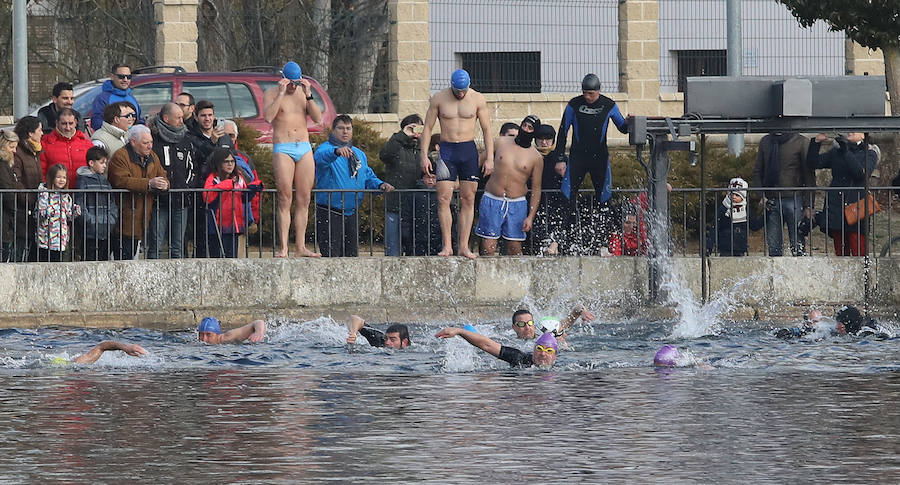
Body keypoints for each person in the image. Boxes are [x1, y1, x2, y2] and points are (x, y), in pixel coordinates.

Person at [420, 69, 493, 259]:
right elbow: (427, 128)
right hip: (447, 150)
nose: (460, 94)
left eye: (463, 90)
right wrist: (424, 155)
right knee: (443, 198)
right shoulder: (439, 98)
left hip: (468, 150)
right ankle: (447, 246)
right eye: (457, 90)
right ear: (451, 85)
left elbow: (487, 130)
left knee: (468, 199)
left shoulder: (477, 99)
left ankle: (463, 246)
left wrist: (490, 158)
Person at [263, 61, 324, 258]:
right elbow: (268, 117)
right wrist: (281, 93)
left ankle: (301, 246)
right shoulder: (272, 93)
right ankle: (283, 247)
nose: (292, 87)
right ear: (283, 79)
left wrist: (309, 94)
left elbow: (318, 119)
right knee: (284, 197)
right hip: (283, 146)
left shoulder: (302, 93)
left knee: (304, 198)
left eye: (295, 83)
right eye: (290, 83)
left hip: (303, 146)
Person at [550, 73, 629, 221]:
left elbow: (623, 128)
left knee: (604, 200)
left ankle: (603, 240)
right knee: (566, 196)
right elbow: (562, 132)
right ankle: (564, 236)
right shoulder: (574, 104)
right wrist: (559, 158)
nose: (587, 97)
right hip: (577, 158)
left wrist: (630, 123)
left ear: (598, 91)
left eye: (591, 94)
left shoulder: (609, 105)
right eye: (584, 93)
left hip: (599, 159)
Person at [313, 115, 394, 257]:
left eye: (348, 128)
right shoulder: (325, 149)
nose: (345, 132)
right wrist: (336, 152)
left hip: (351, 211)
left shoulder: (359, 154)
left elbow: (367, 176)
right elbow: (319, 158)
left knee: (351, 257)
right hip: (330, 211)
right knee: (331, 256)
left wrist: (380, 185)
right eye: (341, 128)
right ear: (333, 130)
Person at [475, 115, 543, 256]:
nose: (525, 129)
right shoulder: (500, 142)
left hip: (517, 203)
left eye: (530, 128)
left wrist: (530, 216)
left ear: (534, 133)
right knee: (488, 246)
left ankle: (513, 277)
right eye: (524, 125)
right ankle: (487, 276)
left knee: (514, 247)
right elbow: (478, 161)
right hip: (493, 198)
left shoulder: (536, 157)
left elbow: (536, 189)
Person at [808, 133, 879, 256]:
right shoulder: (837, 151)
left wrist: (846, 151)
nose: (850, 132)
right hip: (837, 205)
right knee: (840, 249)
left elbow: (860, 174)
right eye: (849, 130)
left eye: (854, 130)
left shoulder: (869, 152)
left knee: (858, 248)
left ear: (863, 135)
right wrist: (816, 142)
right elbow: (813, 163)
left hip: (856, 206)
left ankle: (863, 274)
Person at [107, 125, 169, 260]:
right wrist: (148, 183)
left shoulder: (152, 156)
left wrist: (165, 184)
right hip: (124, 217)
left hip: (143, 217)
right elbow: (121, 180)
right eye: (146, 143)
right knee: (123, 258)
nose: (150, 146)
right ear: (133, 142)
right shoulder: (120, 156)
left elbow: (162, 174)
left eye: (151, 142)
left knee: (133, 255)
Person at [752, 132, 815, 256]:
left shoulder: (801, 142)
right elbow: (758, 171)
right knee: (773, 245)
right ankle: (775, 273)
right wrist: (761, 195)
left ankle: (799, 271)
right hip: (771, 199)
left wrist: (809, 204)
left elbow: (809, 175)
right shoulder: (766, 141)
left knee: (797, 243)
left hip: (794, 197)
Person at [148, 102, 197, 259]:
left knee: (178, 245)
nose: (181, 121)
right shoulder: (153, 139)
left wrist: (187, 188)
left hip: (181, 200)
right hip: (159, 201)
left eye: (182, 117)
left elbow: (192, 167)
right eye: (178, 118)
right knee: (156, 244)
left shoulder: (186, 139)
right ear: (166, 118)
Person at [379, 113, 432, 256]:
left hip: (416, 207)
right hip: (395, 204)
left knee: (414, 248)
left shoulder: (422, 150)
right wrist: (403, 135)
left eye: (419, 127)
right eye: (412, 128)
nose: (416, 131)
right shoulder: (396, 144)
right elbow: (385, 155)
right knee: (393, 248)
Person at [202, 148, 263, 258]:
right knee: (216, 258)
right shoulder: (212, 179)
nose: (230, 164)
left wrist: (253, 189)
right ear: (219, 163)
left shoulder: (239, 178)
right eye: (226, 162)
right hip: (217, 225)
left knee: (232, 258)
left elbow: (244, 199)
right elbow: (207, 197)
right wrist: (227, 184)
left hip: (234, 225)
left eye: (232, 161)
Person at [435, 327, 559, 368]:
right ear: (533, 351)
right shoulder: (520, 358)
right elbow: (487, 345)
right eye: (539, 349)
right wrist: (459, 331)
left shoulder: (564, 369)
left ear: (555, 356)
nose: (543, 354)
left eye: (548, 351)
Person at [75, 147, 118, 261]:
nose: (105, 166)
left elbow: (112, 203)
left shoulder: (105, 181)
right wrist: (91, 221)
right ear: (91, 163)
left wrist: (111, 220)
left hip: (106, 228)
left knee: (104, 261)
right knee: (89, 261)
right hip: (90, 232)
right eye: (102, 163)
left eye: (105, 163)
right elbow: (80, 205)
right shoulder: (83, 181)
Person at [705, 177, 762, 257]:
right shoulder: (723, 208)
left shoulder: (746, 209)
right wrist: (709, 247)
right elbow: (715, 227)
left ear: (743, 197)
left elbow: (754, 226)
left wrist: (767, 213)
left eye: (737, 195)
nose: (734, 197)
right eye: (732, 194)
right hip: (725, 246)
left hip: (740, 246)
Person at [13, 116, 44, 260]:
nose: (42, 133)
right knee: (19, 252)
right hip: (22, 209)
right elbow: (16, 181)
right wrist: (30, 200)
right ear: (30, 133)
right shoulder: (19, 152)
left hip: (33, 207)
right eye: (39, 130)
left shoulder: (35, 152)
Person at [35, 164, 80, 262]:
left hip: (61, 238)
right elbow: (39, 214)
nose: (61, 180)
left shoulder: (66, 197)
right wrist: (48, 212)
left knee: (58, 263)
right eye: (58, 177)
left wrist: (75, 212)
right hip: (46, 238)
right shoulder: (44, 194)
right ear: (52, 178)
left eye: (64, 177)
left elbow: (68, 216)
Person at [40, 108, 94, 187]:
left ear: (76, 122)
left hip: (82, 194)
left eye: (71, 123)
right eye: (64, 124)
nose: (68, 128)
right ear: (57, 123)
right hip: (56, 196)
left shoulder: (87, 144)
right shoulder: (46, 144)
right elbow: (42, 172)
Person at [0, 129, 28, 261]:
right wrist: (15, 209)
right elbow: (7, 190)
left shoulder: (7, 165)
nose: (14, 151)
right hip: (4, 217)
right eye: (11, 147)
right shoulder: (2, 165)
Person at [90, 63, 142, 131]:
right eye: (121, 76)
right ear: (112, 76)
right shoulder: (102, 98)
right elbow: (96, 123)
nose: (125, 80)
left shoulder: (131, 97)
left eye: (129, 77)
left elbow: (139, 120)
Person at [345, 315, 411, 349]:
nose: (387, 342)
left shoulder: (412, 353)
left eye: (392, 340)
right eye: (386, 338)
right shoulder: (380, 340)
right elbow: (354, 318)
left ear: (404, 342)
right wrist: (353, 333)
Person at [64, 341, 148, 364]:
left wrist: (125, 347)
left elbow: (101, 347)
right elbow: (101, 348)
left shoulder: (75, 363)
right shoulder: (70, 364)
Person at [197, 316, 267, 344]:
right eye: (201, 334)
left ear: (217, 334)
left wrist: (259, 332)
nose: (204, 339)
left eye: (209, 335)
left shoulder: (228, 337)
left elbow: (259, 322)